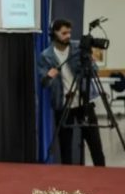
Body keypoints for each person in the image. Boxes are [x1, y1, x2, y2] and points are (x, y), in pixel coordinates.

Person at [38, 18, 105, 166]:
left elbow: (94, 71)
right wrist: (49, 76)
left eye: (69, 32)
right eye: (64, 33)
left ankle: (102, 172)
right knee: (65, 146)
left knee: (95, 143)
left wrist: (91, 62)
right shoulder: (46, 56)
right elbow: (43, 83)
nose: (68, 36)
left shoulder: (78, 48)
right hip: (63, 105)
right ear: (54, 33)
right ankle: (67, 175)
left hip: (84, 102)